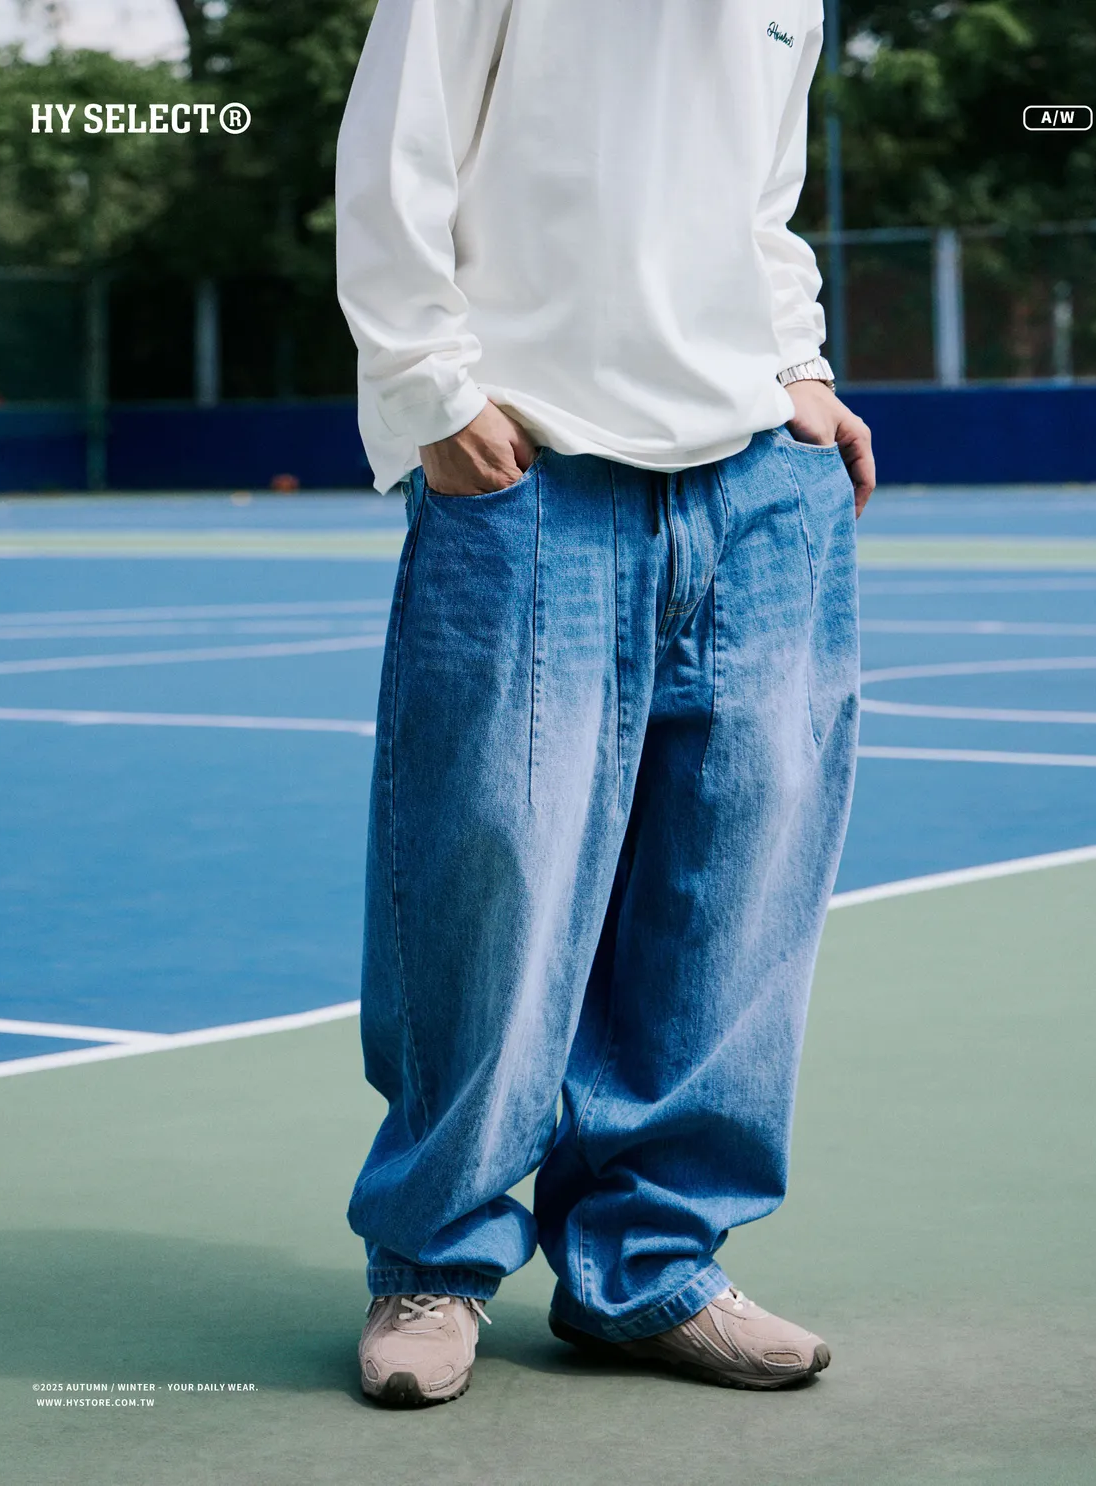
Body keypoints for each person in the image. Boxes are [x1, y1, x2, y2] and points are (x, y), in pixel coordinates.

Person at [336, 0, 874, 1408]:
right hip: (535, 468)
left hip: (758, 477)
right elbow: (397, 150)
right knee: (487, 878)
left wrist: (802, 370)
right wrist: (429, 391)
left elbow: (760, 201)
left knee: (733, 894)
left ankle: (651, 1265)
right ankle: (432, 1262)